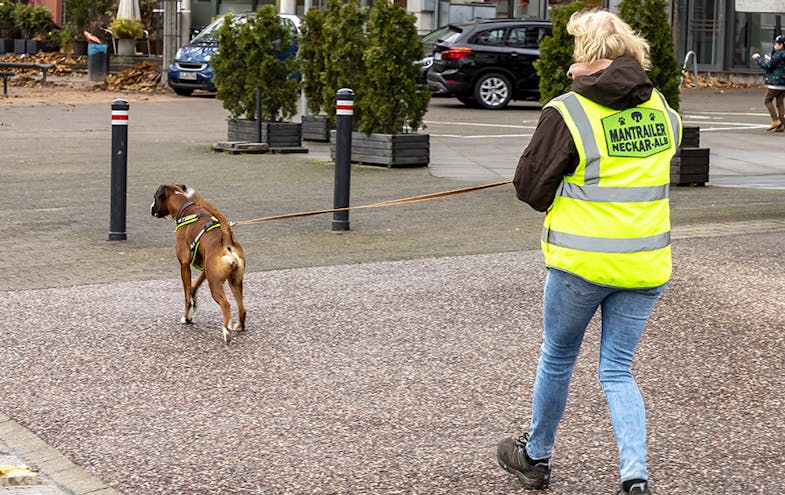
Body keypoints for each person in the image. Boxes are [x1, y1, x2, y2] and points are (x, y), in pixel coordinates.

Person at [496, 9, 681, 495]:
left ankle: (535, 457)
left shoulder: (568, 111)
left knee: (558, 356)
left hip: (581, 265)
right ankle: (634, 475)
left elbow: (531, 190)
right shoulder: (660, 107)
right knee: (618, 370)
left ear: (587, 55)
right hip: (645, 264)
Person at [752, 34, 785, 132]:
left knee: (767, 100)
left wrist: (757, 59)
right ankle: (781, 125)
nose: (775, 45)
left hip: (775, 82)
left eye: (776, 43)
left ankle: (775, 120)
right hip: (783, 83)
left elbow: (768, 66)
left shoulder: (778, 55)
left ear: (781, 45)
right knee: (780, 103)